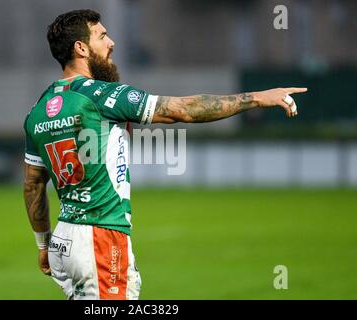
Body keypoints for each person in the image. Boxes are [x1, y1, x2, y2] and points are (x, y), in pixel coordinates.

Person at [23, 9, 307, 300]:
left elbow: (33, 184)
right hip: (100, 236)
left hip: (63, 240)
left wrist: (44, 244)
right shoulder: (102, 95)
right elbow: (183, 110)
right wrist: (259, 98)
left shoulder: (39, 108)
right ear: (80, 48)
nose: (112, 43)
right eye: (102, 36)